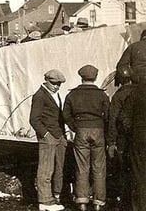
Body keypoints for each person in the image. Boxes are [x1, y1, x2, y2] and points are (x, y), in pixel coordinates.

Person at [63, 65, 109, 211]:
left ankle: (82, 202)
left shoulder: (72, 95)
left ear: (81, 77)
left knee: (81, 167)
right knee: (99, 167)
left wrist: (75, 127)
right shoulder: (102, 95)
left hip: (81, 131)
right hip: (98, 130)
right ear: (95, 77)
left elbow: (66, 115)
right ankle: (98, 203)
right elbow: (108, 115)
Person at [29, 69, 67, 211]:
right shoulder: (39, 96)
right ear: (46, 80)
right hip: (49, 137)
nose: (57, 86)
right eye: (54, 83)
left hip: (58, 136)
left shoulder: (55, 94)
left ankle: (55, 197)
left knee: (58, 168)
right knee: (46, 170)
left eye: (59, 84)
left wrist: (62, 136)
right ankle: (45, 201)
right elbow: (34, 119)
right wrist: (46, 135)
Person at [107, 65, 136, 208]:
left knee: (123, 169)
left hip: (123, 139)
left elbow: (112, 119)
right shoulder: (139, 92)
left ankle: (124, 199)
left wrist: (111, 141)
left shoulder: (118, 96)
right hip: (138, 137)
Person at [119, 79, 146, 210]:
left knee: (139, 175)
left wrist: (132, 130)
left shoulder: (136, 92)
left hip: (139, 138)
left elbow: (124, 117)